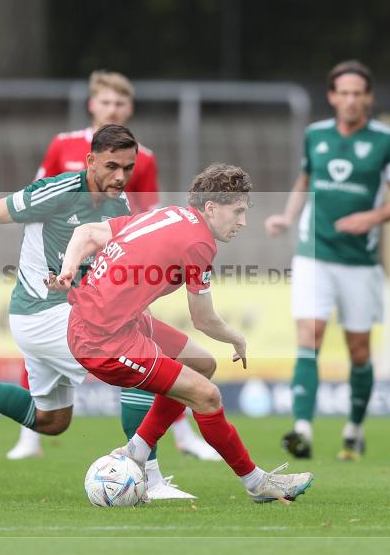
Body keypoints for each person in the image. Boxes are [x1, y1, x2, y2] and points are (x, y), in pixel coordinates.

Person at [0, 124, 197, 500]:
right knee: (137, 367)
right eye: (111, 166)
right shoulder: (57, 191)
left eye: (128, 168)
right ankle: (150, 481)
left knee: (52, 421)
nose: (121, 177)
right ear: (90, 161)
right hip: (42, 313)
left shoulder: (118, 204)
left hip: (68, 315)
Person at [49, 164, 314, 503]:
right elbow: (202, 319)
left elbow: (86, 234)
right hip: (103, 340)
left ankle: (136, 453)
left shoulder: (165, 215)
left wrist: (68, 271)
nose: (243, 222)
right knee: (207, 396)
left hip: (107, 320)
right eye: (238, 212)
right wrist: (236, 337)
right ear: (211, 208)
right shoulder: (199, 243)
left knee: (201, 365)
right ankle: (256, 482)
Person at [8, 69, 220, 463]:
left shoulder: (144, 158)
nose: (112, 109)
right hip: (61, 262)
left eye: (120, 104)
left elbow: (147, 214)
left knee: (147, 351)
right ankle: (30, 439)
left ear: (130, 108)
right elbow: (36, 198)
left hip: (115, 260)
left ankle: (178, 435)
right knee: (42, 346)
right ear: (92, 105)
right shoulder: (63, 144)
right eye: (106, 102)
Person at [265, 60, 390, 461]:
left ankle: (353, 430)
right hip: (315, 253)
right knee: (310, 335)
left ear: (369, 97)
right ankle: (301, 431)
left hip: (361, 262)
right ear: (332, 97)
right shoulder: (315, 135)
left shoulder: (387, 140)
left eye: (357, 93)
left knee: (359, 349)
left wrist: (371, 216)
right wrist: (286, 216)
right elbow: (304, 181)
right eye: (342, 93)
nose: (350, 100)